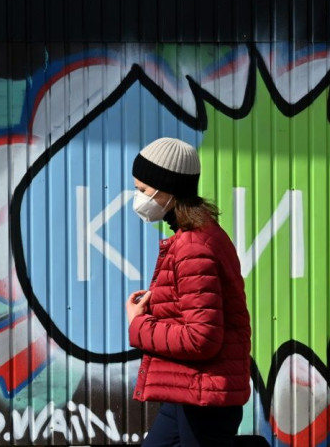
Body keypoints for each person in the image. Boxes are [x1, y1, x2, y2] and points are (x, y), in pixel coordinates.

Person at [126, 137, 251, 447]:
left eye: (143, 191)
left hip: (204, 395)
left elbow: (201, 339)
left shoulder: (193, 245)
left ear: (168, 189)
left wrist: (138, 324)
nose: (138, 198)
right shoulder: (194, 236)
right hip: (188, 385)